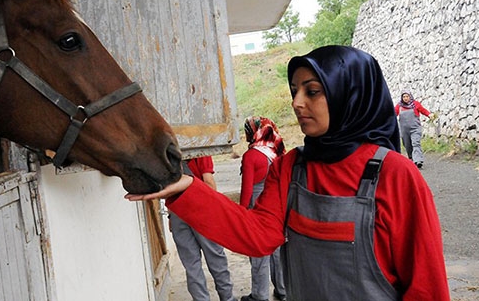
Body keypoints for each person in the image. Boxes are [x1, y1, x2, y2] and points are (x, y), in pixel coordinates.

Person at [127, 45, 450, 300]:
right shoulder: (290, 166)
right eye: (294, 90)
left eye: (312, 91)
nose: (297, 102)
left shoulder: (396, 175)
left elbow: (427, 287)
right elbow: (257, 235)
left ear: (348, 95)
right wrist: (187, 189)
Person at [169, 156, 237, 301]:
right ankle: (228, 298)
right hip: (201, 210)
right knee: (216, 259)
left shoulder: (168, 154)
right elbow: (208, 181)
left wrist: (171, 216)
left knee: (191, 265)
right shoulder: (200, 152)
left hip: (177, 211)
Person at [239, 117, 287, 301]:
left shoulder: (251, 156)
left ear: (252, 132)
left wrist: (242, 214)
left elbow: (247, 190)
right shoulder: (277, 151)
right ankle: (282, 290)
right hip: (276, 209)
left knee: (259, 253)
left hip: (257, 211)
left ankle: (259, 295)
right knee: (277, 252)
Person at [395, 91, 431, 168]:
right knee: (407, 145)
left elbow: (423, 110)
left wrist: (429, 115)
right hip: (404, 130)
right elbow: (393, 114)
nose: (405, 98)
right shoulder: (399, 106)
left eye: (407, 96)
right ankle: (411, 158)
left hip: (415, 128)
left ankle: (418, 161)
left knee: (416, 143)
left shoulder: (416, 104)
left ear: (410, 96)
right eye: (404, 97)